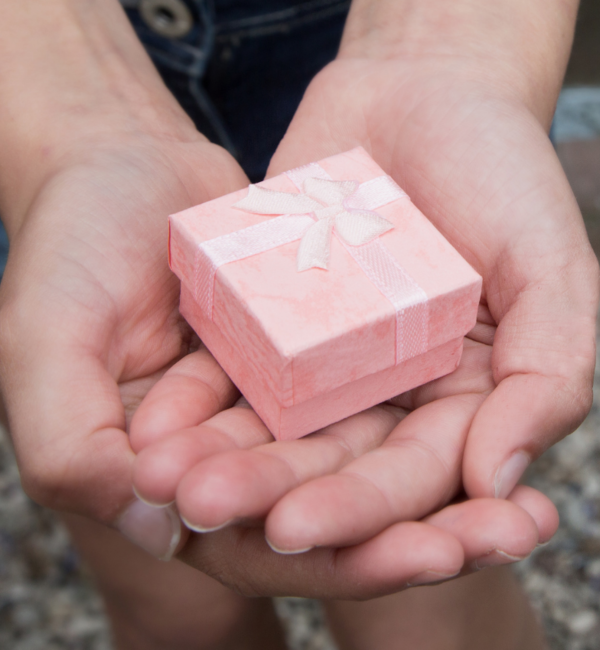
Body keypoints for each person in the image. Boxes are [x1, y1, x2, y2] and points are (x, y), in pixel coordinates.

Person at [0, 0, 596, 648]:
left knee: (430, 613)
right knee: (176, 608)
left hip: (344, 28)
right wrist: (68, 116)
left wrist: (447, 49)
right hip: (32, 73)